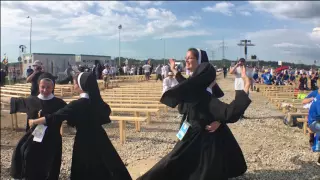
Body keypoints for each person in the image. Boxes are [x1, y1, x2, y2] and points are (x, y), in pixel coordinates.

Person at [137, 48, 251, 180]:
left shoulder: (205, 88)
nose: (186, 60)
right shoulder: (196, 85)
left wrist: (220, 121)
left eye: (190, 57)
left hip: (204, 131)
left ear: (200, 62)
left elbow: (220, 110)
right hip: (194, 129)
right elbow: (188, 86)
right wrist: (174, 70)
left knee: (185, 161)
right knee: (183, 160)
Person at [28, 72, 132, 180]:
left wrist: (34, 121)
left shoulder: (77, 104)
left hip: (84, 139)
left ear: (81, 86)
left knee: (84, 168)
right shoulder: (98, 102)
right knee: (105, 164)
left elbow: (55, 117)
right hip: (101, 137)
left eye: (75, 84)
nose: (74, 86)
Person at [1, 73, 67, 180]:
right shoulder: (31, 101)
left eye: (48, 87)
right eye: (42, 87)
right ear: (38, 86)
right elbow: (12, 101)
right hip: (34, 140)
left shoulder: (60, 103)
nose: (45, 90)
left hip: (52, 141)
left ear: (53, 87)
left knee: (50, 168)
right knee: (30, 164)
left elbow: (71, 114)